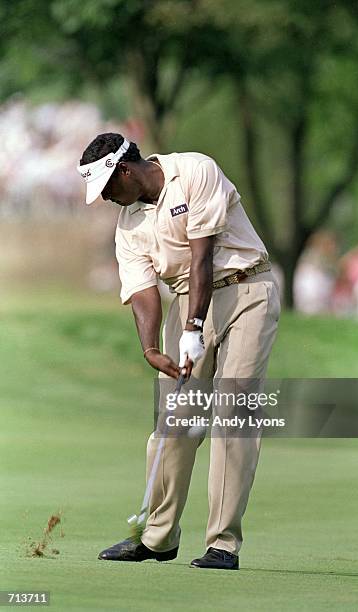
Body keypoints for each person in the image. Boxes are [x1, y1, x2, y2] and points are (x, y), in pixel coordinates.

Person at [77, 133, 281, 570]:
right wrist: (150, 347)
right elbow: (143, 290)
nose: (109, 200)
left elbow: (202, 255)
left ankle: (222, 544)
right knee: (176, 421)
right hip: (188, 299)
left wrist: (193, 326)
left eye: (109, 189)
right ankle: (158, 537)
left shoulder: (194, 170)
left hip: (247, 291)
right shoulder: (128, 225)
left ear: (125, 171)